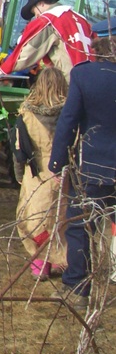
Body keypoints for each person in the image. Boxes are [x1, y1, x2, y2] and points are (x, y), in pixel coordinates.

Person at [49, 36, 116, 311]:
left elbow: (68, 120)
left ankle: (77, 288)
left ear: (96, 54)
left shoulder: (84, 75)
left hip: (93, 165)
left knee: (80, 226)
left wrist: (57, 162)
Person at [14, 67, 68, 280]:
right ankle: (60, 260)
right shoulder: (69, 113)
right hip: (62, 171)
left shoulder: (26, 114)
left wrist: (19, 175)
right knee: (60, 218)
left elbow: (19, 148)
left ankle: (40, 264)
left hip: (35, 171)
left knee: (34, 218)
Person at [0, 0, 94, 81]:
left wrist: (3, 71)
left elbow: (29, 52)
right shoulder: (81, 19)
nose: (36, 16)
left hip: (72, 80)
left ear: (41, 3)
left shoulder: (49, 20)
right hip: (92, 77)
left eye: (35, 11)